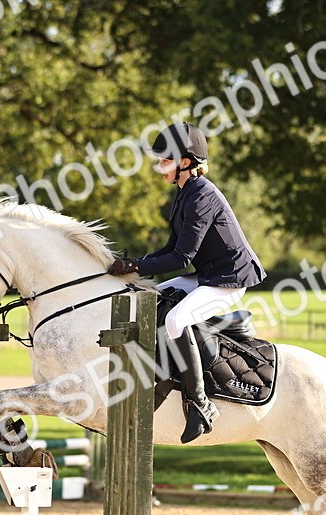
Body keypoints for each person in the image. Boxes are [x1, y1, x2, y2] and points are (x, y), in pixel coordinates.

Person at [108, 122, 267, 443]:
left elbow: (181, 257)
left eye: (165, 161)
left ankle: (199, 403)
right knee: (151, 298)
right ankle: (162, 372)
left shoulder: (202, 196)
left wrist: (137, 264)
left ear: (185, 162)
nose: (159, 167)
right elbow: (169, 249)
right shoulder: (184, 194)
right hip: (207, 273)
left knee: (178, 319)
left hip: (229, 278)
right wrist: (135, 269)